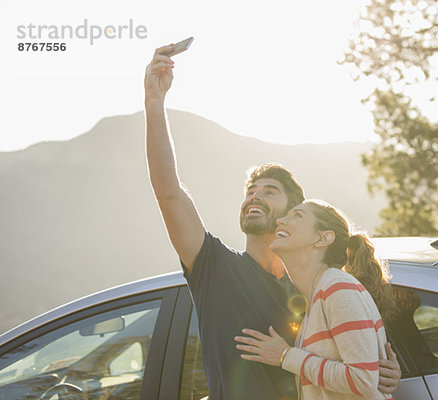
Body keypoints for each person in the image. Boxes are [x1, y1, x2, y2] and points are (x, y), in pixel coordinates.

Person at [144, 44, 401, 399]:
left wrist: (389, 369)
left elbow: (362, 355)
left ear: (292, 215)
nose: (254, 196)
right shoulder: (214, 267)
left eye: (269, 192)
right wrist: (154, 102)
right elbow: (168, 191)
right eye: (250, 190)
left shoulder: (318, 286)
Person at [235, 200, 396, 399]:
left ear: (323, 238)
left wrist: (286, 356)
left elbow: (363, 380)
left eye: (297, 215)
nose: (280, 220)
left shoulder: (337, 288)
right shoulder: (319, 295)